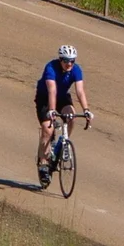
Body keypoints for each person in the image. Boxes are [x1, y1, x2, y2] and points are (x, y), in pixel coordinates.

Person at [36, 44, 93, 186]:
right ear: (60, 59)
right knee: (47, 130)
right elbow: (52, 91)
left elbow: (80, 91)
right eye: (66, 60)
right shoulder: (51, 68)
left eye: (72, 61)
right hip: (45, 98)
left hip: (63, 97)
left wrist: (86, 110)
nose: (69, 64)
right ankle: (43, 163)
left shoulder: (76, 70)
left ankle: (63, 142)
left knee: (71, 116)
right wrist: (52, 110)